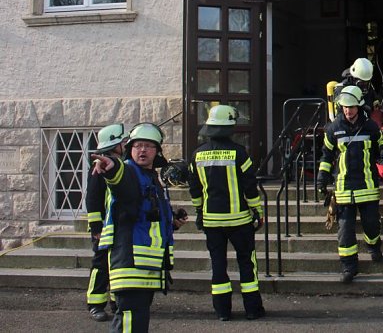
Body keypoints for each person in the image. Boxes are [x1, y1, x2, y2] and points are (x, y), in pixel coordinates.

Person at [90, 122, 179, 332]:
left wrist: (173, 223)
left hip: (145, 267)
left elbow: (148, 217)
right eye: (137, 145)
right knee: (130, 322)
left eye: (148, 146)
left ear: (157, 151)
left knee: (135, 322)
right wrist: (111, 166)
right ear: (129, 149)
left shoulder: (151, 178)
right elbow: (121, 179)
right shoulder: (129, 171)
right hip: (130, 263)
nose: (142, 150)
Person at [188, 105, 265, 321]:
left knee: (218, 266)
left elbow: (194, 190)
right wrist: (257, 211)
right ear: (230, 127)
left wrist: (198, 211)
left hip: (212, 222)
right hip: (240, 220)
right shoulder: (240, 153)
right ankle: (252, 309)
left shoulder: (197, 155)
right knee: (247, 264)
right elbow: (250, 187)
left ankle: (222, 311)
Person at [316, 86, 383, 283]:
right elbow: (326, 155)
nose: (348, 111)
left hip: (367, 185)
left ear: (359, 106)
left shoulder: (370, 126)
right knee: (345, 230)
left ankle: (373, 246)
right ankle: (349, 266)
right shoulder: (333, 129)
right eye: (345, 107)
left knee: (371, 224)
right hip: (344, 187)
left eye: (352, 107)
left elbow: (381, 142)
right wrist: (322, 177)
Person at [85, 123, 126, 322]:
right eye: (123, 142)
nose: (126, 145)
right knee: (101, 264)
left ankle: (115, 301)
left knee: (116, 265)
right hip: (103, 227)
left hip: (118, 225)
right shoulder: (99, 167)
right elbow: (93, 199)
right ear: (114, 145)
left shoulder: (120, 165)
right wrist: (96, 228)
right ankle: (95, 304)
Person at [333, 57, 382, 121]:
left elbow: (374, 106)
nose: (364, 87)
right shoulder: (341, 90)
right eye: (361, 83)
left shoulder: (369, 88)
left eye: (366, 83)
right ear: (353, 78)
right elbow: (340, 117)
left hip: (366, 124)